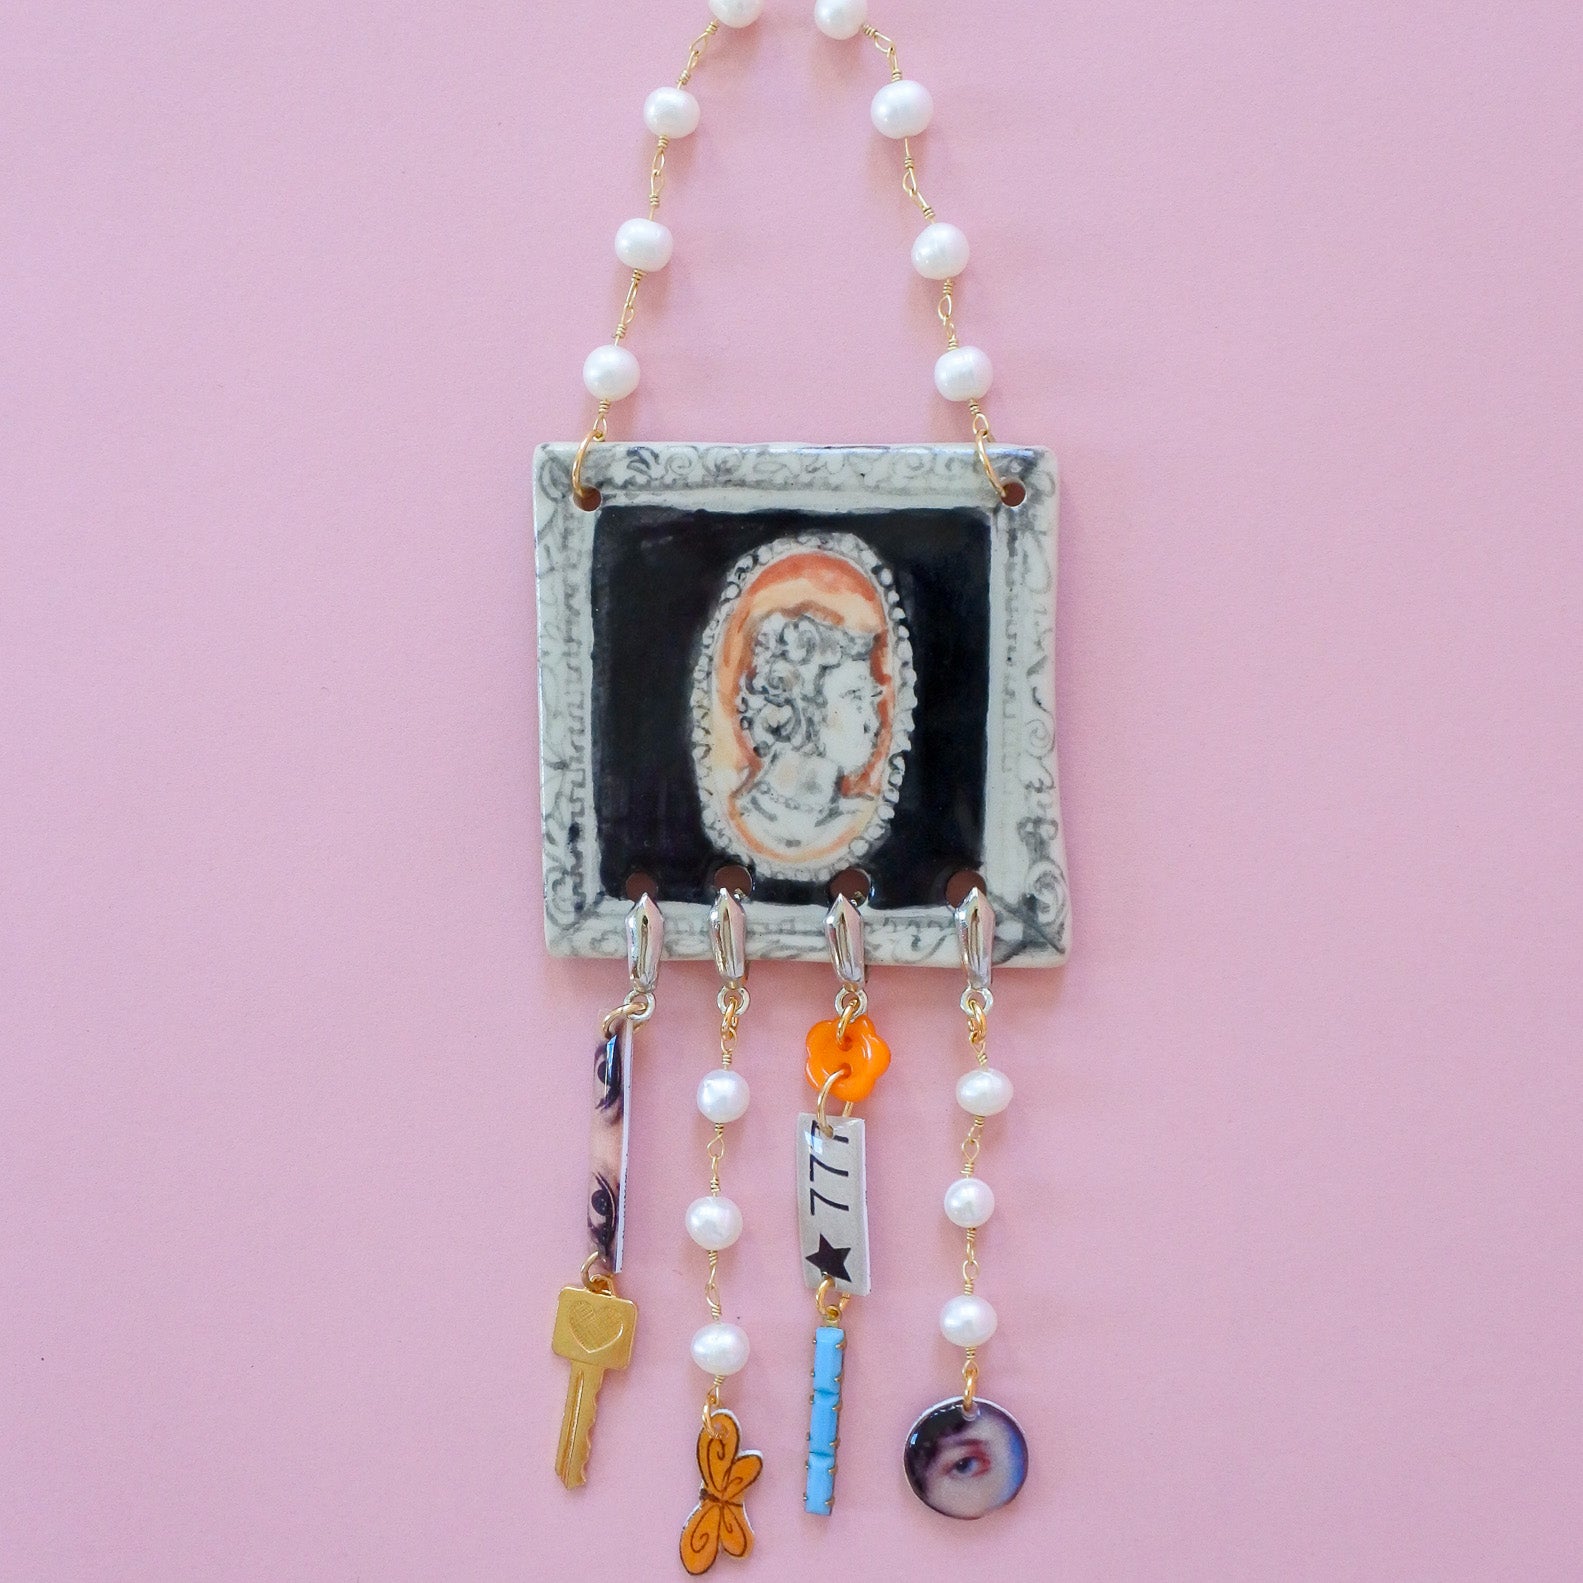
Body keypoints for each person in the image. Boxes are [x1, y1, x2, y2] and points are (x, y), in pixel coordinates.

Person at [732, 610, 882, 858]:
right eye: (855, 699)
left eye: (872, 701)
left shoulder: (865, 819)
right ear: (804, 706)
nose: (873, 722)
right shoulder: (742, 818)